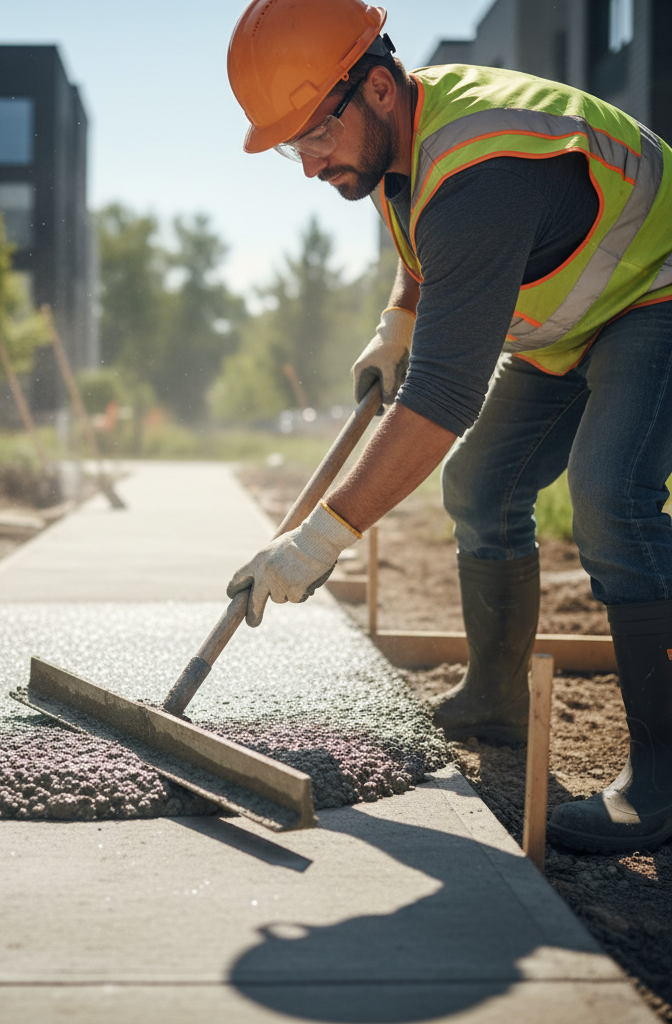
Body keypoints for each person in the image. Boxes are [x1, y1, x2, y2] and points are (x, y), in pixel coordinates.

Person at [224, 0, 672, 853]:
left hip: (656, 287)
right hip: (571, 322)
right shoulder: (399, 141)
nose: (309, 165)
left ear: (377, 89)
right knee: (481, 485)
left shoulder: (482, 169)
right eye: (291, 146)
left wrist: (319, 541)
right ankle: (496, 699)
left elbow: (441, 400)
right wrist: (397, 323)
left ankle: (664, 774)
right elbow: (422, 243)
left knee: (611, 497)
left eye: (315, 134)